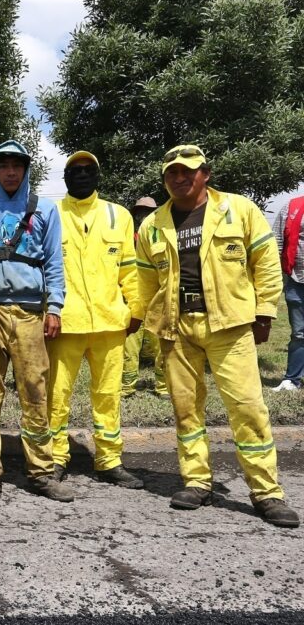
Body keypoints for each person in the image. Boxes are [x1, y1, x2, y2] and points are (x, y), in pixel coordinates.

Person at [135, 145, 298, 527]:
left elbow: (266, 264)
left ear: (205, 174)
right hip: (177, 326)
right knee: (185, 408)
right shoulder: (152, 224)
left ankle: (267, 492)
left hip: (229, 324)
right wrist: (147, 319)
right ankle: (196, 481)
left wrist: (264, 312)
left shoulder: (239, 210)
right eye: (172, 173)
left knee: (246, 407)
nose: (179, 178)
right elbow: (145, 280)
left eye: (188, 172)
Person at [0, 140, 71, 503]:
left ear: (25, 169)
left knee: (36, 392)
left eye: (17, 165)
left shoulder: (45, 210)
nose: (10, 171)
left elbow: (55, 261)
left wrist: (54, 307)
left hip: (30, 314)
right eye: (3, 165)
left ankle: (41, 471)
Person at [47, 151, 143, 488]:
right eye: (75, 171)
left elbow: (130, 268)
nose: (82, 175)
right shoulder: (51, 213)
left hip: (110, 322)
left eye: (89, 170)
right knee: (57, 395)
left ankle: (109, 460)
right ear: (65, 178)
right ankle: (56, 457)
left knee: (108, 395)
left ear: (98, 176)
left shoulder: (119, 216)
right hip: (64, 322)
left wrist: (136, 309)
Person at [122, 196, 167, 397]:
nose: (144, 216)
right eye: (140, 212)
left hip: (157, 297)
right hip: (133, 298)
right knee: (130, 345)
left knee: (160, 344)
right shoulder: (128, 238)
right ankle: (127, 387)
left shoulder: (160, 237)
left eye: (148, 212)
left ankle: (163, 386)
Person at [272, 193, 304, 392]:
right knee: (299, 333)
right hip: (296, 279)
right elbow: (275, 239)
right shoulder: (292, 206)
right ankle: (292, 379)